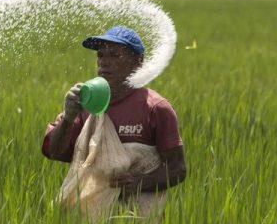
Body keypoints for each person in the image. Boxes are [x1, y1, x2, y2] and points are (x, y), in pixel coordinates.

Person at [42, 25, 186, 201]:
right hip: (88, 218)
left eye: (115, 55)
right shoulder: (85, 104)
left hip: (139, 220)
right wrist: (68, 118)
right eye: (101, 55)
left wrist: (140, 182)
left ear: (137, 62)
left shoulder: (156, 108)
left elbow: (177, 169)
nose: (104, 62)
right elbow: (54, 152)